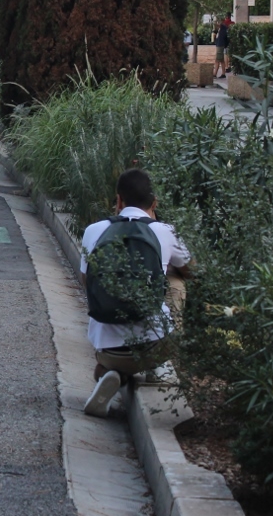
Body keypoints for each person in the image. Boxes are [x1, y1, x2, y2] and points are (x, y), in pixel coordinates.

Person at [81, 168, 191, 417]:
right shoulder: (166, 231)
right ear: (154, 203)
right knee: (176, 279)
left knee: (106, 364)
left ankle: (111, 374)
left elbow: (86, 281)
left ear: (118, 200)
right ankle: (158, 368)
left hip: (107, 351)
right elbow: (193, 271)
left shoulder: (93, 230)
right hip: (155, 347)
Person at [214, 14, 231, 79]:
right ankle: (223, 73)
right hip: (220, 44)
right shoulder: (221, 29)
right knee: (221, 60)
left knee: (217, 60)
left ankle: (215, 73)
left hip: (220, 45)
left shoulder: (223, 28)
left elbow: (225, 38)